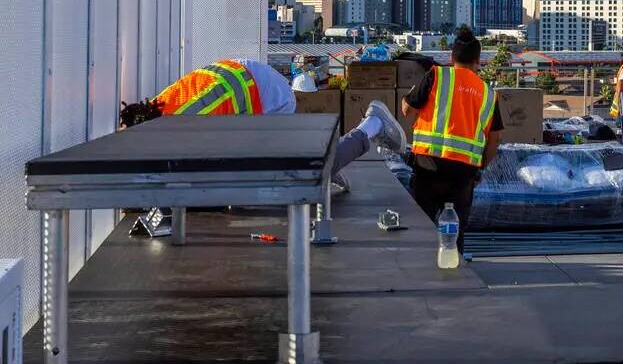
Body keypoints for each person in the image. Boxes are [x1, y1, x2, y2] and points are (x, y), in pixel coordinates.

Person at [119, 58, 408, 193]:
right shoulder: (155, 110)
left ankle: (371, 125)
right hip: (246, 76)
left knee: (299, 176)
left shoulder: (183, 128)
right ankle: (325, 163)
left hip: (267, 96)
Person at [401, 27, 503, 253]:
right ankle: (454, 273)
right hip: (464, 171)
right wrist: (481, 166)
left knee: (422, 223)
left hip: (428, 164)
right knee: (455, 230)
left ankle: (419, 268)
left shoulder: (437, 76)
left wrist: (407, 99)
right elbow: (495, 138)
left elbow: (408, 109)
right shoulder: (487, 93)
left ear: (451, 58)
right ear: (478, 61)